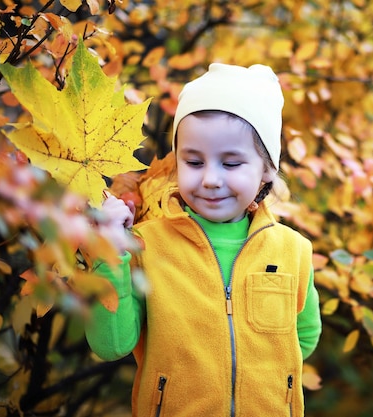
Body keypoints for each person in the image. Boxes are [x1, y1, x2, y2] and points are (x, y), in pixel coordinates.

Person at [85, 63, 322, 417]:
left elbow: (303, 336)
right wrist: (109, 253)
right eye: (194, 162)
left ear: (267, 170)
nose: (211, 179)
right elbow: (111, 344)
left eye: (231, 164)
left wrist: (258, 378)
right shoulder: (145, 246)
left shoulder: (293, 251)